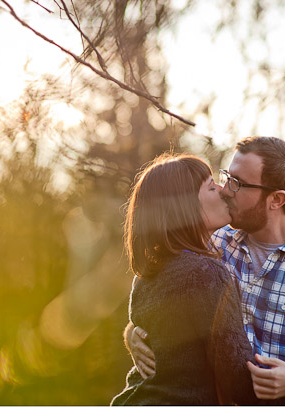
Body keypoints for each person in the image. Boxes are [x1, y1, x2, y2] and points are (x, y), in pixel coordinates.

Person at [124, 136, 285, 405]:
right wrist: (135, 332)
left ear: (276, 199)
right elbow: (161, 292)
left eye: (238, 183)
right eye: (227, 176)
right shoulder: (211, 244)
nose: (226, 189)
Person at [111, 153, 265, 405]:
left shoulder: (147, 276)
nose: (223, 190)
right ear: (185, 207)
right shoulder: (207, 274)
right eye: (210, 186)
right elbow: (239, 385)